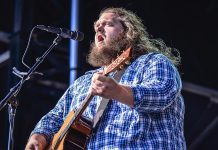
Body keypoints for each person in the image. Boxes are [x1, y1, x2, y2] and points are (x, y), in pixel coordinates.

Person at [25, 7, 186, 149]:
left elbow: (163, 93)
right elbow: (56, 116)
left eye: (108, 24)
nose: (99, 29)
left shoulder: (152, 61)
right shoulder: (82, 82)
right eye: (96, 27)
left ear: (129, 31)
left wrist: (119, 92)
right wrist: (39, 135)